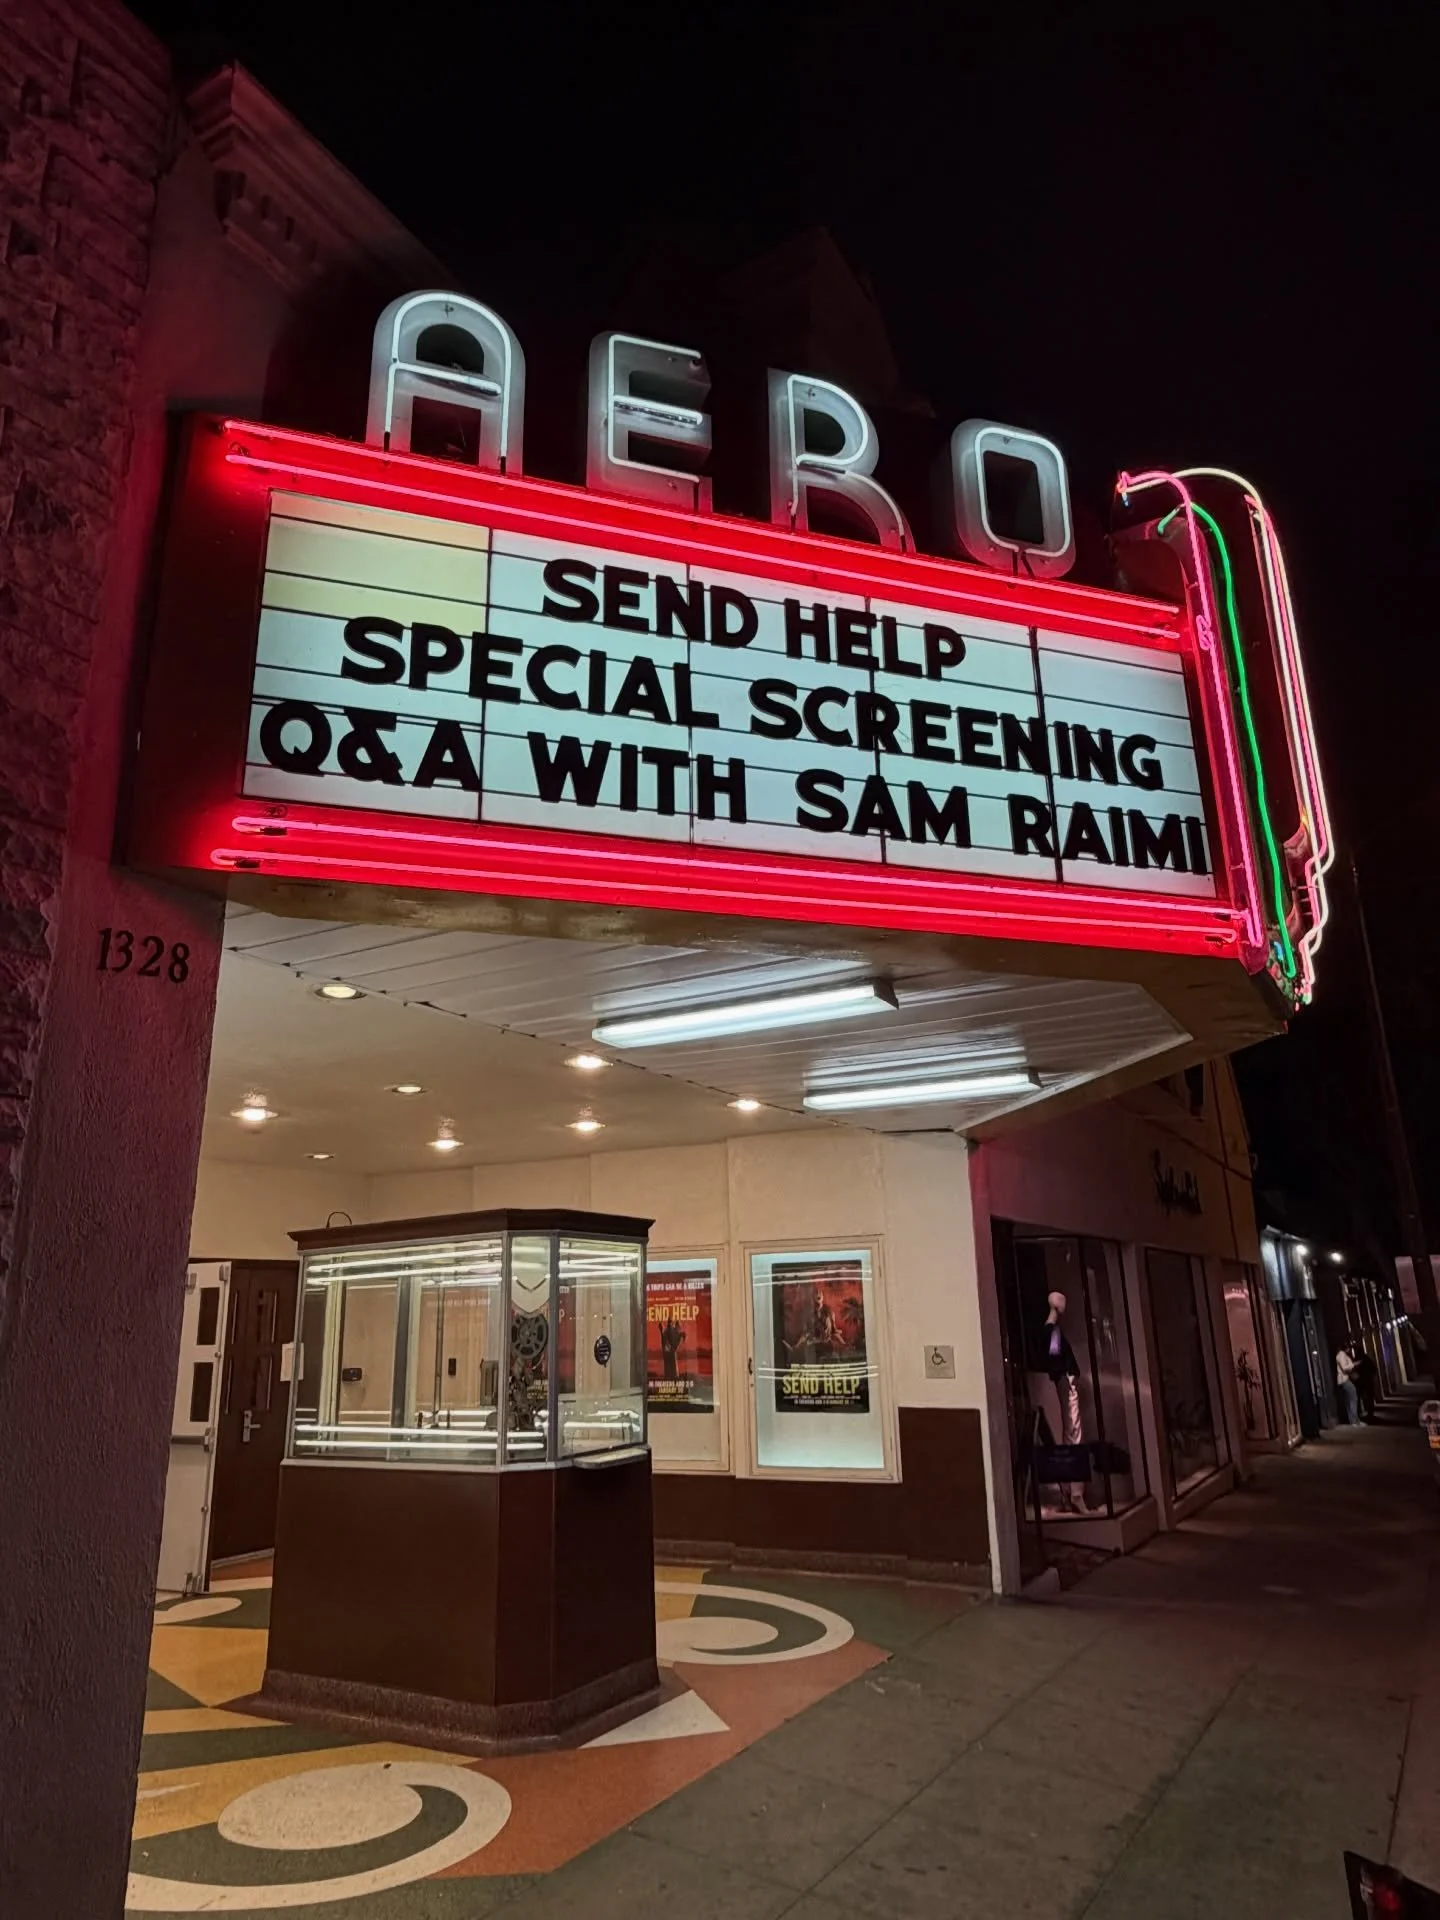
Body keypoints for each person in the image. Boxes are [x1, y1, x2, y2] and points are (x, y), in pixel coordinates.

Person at [1353, 1344, 1379, 1423]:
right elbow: (1374, 1369)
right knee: (1369, 1397)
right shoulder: (1366, 1359)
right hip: (1367, 1381)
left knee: (1365, 1397)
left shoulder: (1359, 1359)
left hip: (1363, 1381)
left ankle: (1367, 1413)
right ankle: (1370, 1413)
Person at [1335, 1342, 1360, 1425]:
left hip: (1344, 1379)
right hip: (1344, 1379)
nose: (1350, 1350)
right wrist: (1354, 1364)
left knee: (1349, 1399)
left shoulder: (1341, 1355)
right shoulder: (1342, 1355)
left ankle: (1353, 1420)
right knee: (1353, 1397)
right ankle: (1354, 1420)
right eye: (1349, 1348)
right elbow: (1345, 1368)